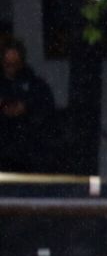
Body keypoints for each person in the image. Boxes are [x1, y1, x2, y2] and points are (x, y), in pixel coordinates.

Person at [0, 40, 57, 173]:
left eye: (15, 63)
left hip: (29, 155)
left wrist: (26, 108)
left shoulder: (36, 85)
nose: (11, 66)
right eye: (7, 63)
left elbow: (47, 111)